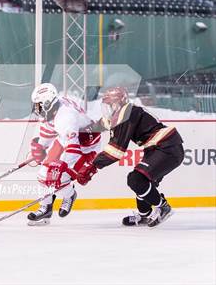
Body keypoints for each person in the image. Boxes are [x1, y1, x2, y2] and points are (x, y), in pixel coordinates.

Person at [79, 87, 184, 227]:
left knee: (136, 179)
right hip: (160, 148)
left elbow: (116, 150)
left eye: (110, 105)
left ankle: (163, 207)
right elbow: (102, 124)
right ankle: (144, 216)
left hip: (166, 148)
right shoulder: (122, 113)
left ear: (118, 103)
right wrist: (85, 132)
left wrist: (93, 166)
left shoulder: (126, 113)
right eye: (105, 105)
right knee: (143, 183)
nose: (107, 109)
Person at [29, 83, 101, 225]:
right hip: (66, 138)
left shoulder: (66, 117)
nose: (36, 109)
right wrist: (41, 146)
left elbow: (73, 148)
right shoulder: (55, 107)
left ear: (48, 103)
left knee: (59, 178)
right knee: (43, 174)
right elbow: (50, 128)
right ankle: (45, 208)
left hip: (86, 147)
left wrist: (61, 166)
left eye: (38, 105)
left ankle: (70, 195)